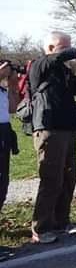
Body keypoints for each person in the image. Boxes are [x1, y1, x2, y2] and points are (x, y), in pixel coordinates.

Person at [28, 32, 76, 243]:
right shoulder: (40, 65)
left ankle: (61, 222)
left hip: (68, 129)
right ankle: (41, 228)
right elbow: (57, 57)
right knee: (51, 179)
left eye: (69, 47)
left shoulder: (64, 72)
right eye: (64, 47)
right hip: (49, 128)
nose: (69, 51)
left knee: (68, 178)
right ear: (49, 48)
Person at [0, 60, 20, 212]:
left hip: (5, 131)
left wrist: (13, 85)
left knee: (3, 178)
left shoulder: (3, 90)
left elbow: (13, 109)